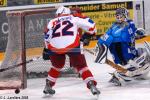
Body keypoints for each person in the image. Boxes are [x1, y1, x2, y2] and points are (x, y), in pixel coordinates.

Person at [42, 6, 100, 96]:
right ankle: (91, 85)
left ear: (58, 14)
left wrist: (46, 49)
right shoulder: (74, 18)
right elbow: (92, 27)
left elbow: (47, 35)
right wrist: (88, 35)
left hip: (54, 47)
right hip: (72, 45)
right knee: (82, 67)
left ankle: (48, 85)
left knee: (56, 66)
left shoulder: (52, 21)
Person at [95, 7, 150, 86]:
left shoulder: (115, 27)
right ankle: (125, 72)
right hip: (128, 57)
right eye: (118, 16)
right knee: (145, 52)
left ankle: (128, 71)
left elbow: (103, 39)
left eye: (121, 16)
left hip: (123, 58)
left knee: (141, 51)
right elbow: (128, 32)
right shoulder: (126, 24)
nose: (119, 18)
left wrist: (99, 47)